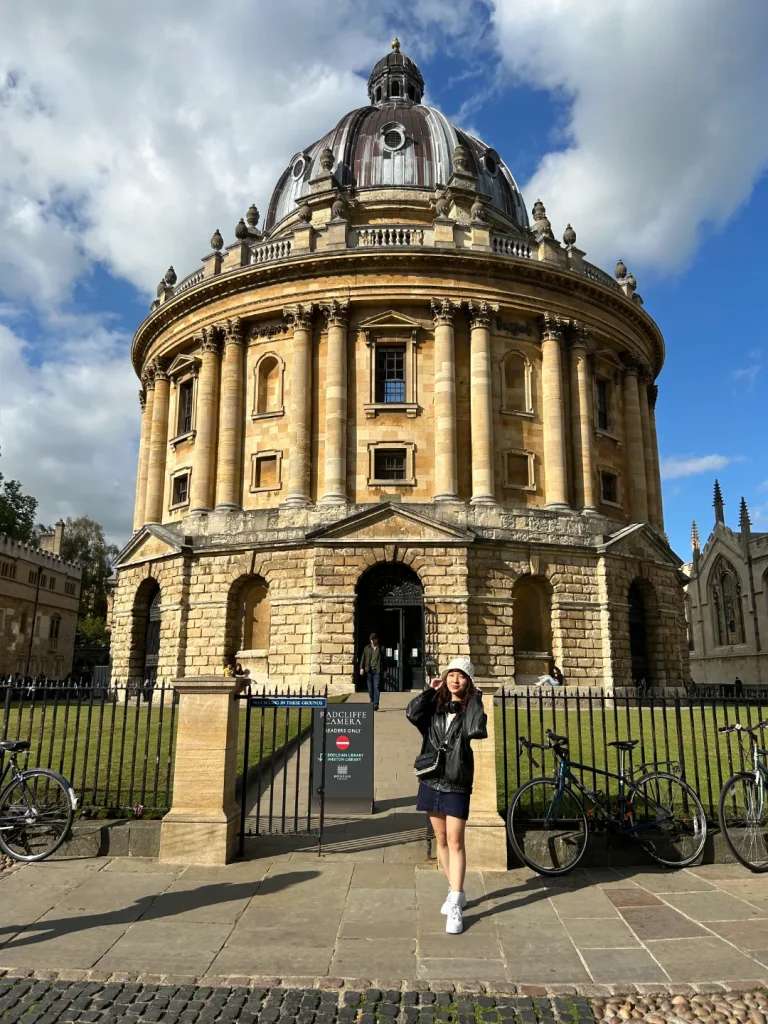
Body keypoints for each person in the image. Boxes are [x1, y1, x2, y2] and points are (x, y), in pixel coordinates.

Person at [406, 656, 487, 935]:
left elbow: (477, 729)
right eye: (452, 674)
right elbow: (411, 713)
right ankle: (455, 890)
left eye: (462, 675)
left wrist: (475, 698)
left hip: (456, 782)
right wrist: (430, 689)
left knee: (455, 842)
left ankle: (455, 898)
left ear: (468, 681)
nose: (455, 679)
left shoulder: (470, 711)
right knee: (440, 840)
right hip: (431, 778)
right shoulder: (434, 710)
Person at [359, 632, 382, 711]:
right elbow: (363, 658)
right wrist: (361, 668)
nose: (372, 641)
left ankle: (376, 704)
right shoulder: (367, 648)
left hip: (377, 671)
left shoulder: (380, 648)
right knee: (370, 688)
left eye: (373, 639)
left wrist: (385, 671)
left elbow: (384, 661)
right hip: (369, 671)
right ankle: (372, 701)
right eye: (371, 640)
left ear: (376, 640)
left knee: (376, 687)